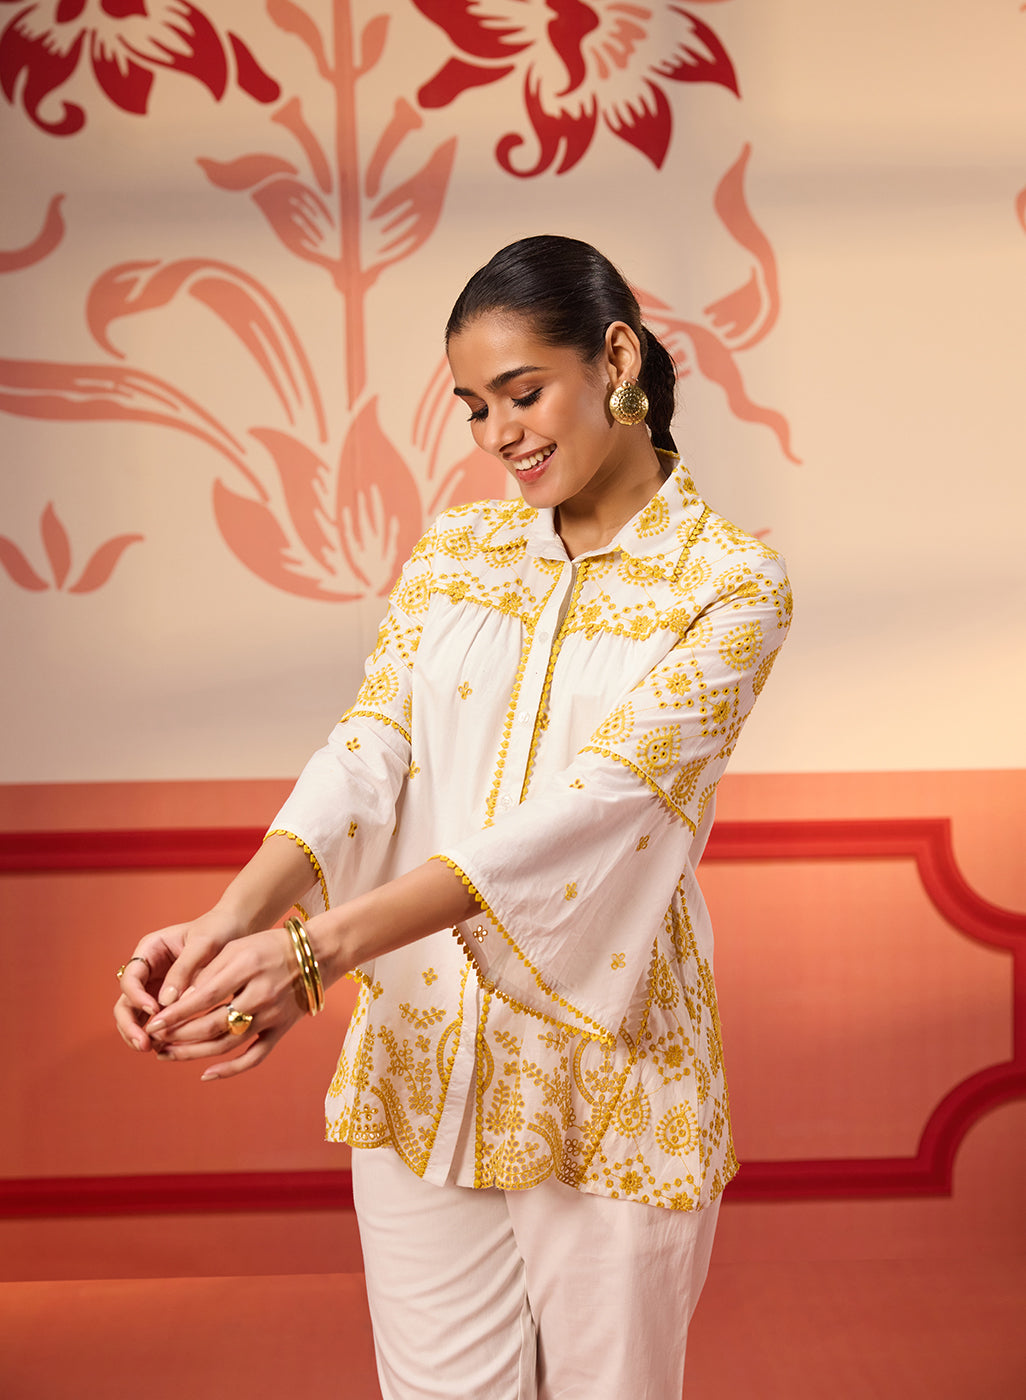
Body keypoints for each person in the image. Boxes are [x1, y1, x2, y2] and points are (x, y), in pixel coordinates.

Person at [114, 235, 792, 1399]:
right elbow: (372, 746)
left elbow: (599, 806)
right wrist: (233, 920)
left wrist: (316, 952)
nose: (499, 435)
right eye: (476, 407)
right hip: (424, 1050)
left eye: (523, 393)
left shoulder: (730, 585)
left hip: (610, 1065)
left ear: (615, 356)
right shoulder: (457, 554)